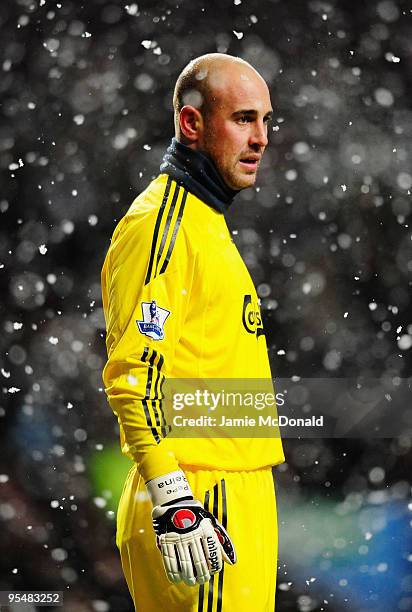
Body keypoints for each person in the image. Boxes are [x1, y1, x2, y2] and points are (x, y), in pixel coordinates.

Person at [101, 53, 284, 612]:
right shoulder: (162, 225)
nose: (261, 139)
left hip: (234, 489)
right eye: (244, 119)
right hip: (199, 497)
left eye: (267, 121)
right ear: (191, 123)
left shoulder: (205, 222)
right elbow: (134, 374)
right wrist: (173, 496)